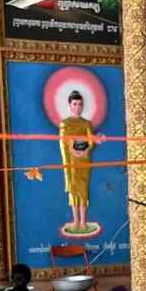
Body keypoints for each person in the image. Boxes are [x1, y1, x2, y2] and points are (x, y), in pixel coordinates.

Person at [58, 90, 98, 235]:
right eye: (75, 104)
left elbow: (91, 141)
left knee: (83, 190)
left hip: (84, 161)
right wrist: (71, 152)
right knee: (73, 190)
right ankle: (75, 221)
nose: (77, 107)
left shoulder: (86, 124)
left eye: (80, 104)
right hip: (70, 162)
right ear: (70, 105)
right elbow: (63, 144)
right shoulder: (65, 124)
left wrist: (85, 151)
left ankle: (83, 221)